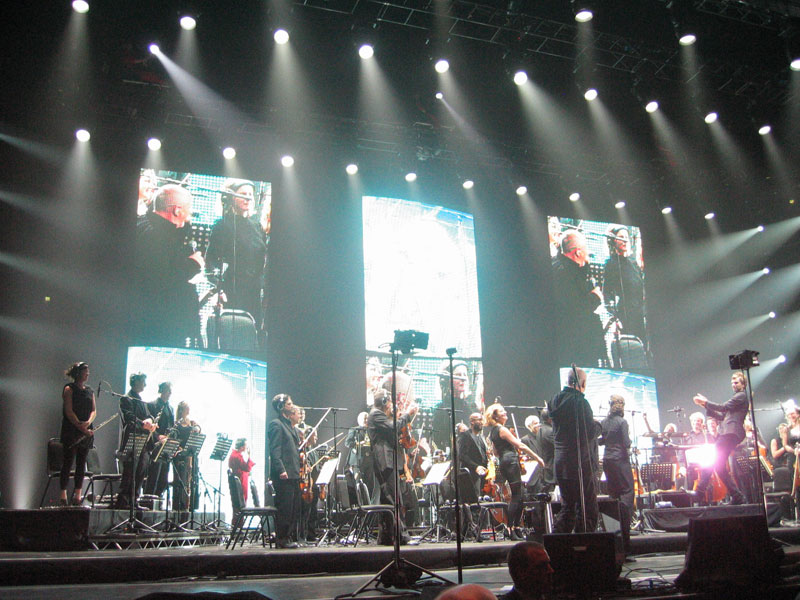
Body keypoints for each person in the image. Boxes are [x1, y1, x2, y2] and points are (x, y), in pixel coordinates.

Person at [135, 184, 204, 347]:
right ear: (177, 210)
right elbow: (161, 280)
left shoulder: (147, 225)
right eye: (189, 209)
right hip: (159, 329)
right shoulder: (155, 236)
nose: (190, 215)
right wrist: (193, 264)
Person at [205, 178, 268, 335]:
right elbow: (210, 261)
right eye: (242, 194)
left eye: (250, 194)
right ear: (231, 197)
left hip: (254, 292)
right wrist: (218, 289)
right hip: (232, 291)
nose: (247, 198)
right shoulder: (222, 225)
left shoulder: (257, 226)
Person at [548, 367, 599, 533]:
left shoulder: (555, 400)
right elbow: (589, 431)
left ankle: (557, 542)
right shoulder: (580, 402)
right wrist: (599, 425)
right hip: (579, 462)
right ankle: (585, 542)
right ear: (582, 383)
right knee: (587, 508)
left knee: (568, 507)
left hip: (561, 461)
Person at [484, 402, 544, 539]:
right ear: (496, 416)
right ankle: (510, 528)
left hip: (505, 461)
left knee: (520, 496)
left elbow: (495, 452)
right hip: (510, 462)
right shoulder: (502, 429)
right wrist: (537, 458)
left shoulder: (493, 431)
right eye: (501, 411)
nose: (505, 412)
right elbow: (520, 445)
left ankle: (516, 528)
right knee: (517, 496)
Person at [367, 387, 418, 545]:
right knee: (394, 498)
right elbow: (393, 427)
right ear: (384, 401)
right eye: (389, 401)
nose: (391, 404)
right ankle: (401, 536)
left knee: (387, 498)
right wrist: (407, 415)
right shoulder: (376, 414)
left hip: (389, 461)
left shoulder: (380, 415)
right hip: (385, 462)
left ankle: (386, 536)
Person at [551, 230, 606, 368]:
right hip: (577, 348)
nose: (588, 253)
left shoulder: (560, 265)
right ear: (578, 252)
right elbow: (575, 309)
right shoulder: (563, 273)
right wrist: (595, 297)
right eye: (586, 248)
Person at [692, 372, 749, 505]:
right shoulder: (737, 398)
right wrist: (705, 405)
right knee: (719, 466)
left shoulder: (741, 396)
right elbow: (722, 416)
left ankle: (700, 491)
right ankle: (737, 496)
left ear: (743, 384)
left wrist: (706, 402)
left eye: (736, 382)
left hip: (731, 432)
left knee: (713, 457)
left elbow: (723, 407)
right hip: (730, 433)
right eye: (732, 383)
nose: (733, 385)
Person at [600, 395, 635, 560]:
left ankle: (615, 546)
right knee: (627, 498)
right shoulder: (622, 422)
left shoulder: (604, 422)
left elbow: (601, 441)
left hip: (608, 461)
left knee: (613, 499)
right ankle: (626, 548)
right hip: (620, 461)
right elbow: (626, 443)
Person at [58, 362, 97, 506]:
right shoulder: (69, 388)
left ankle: (78, 495)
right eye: (85, 371)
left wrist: (88, 423)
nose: (88, 374)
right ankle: (63, 494)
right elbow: (68, 411)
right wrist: (80, 426)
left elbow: (94, 410)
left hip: (86, 430)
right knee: (68, 462)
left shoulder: (90, 391)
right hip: (72, 430)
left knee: (81, 463)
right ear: (78, 373)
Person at [117, 373, 157, 509]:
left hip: (144, 441)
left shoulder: (140, 400)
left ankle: (134, 501)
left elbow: (149, 415)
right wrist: (144, 424)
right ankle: (124, 501)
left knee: (140, 472)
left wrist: (150, 421)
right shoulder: (126, 398)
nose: (145, 385)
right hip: (132, 440)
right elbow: (129, 417)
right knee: (129, 472)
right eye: (142, 382)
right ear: (135, 382)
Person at [602, 225, 646, 345]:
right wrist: (614, 318)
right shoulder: (611, 264)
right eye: (621, 237)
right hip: (625, 315)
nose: (625, 240)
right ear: (612, 241)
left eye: (626, 237)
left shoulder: (633, 262)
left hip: (640, 314)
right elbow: (607, 294)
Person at [269, 394, 302, 548]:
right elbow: (275, 450)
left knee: (293, 509)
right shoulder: (276, 424)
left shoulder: (290, 426)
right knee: (285, 509)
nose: (292, 405)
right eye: (289, 404)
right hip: (284, 475)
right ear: (281, 407)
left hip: (293, 473)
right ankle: (282, 539)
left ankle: (288, 537)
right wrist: (281, 469)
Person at [144, 382, 176, 498]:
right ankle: (148, 501)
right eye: (168, 390)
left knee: (163, 478)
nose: (170, 393)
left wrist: (171, 441)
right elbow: (149, 426)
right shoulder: (152, 405)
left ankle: (159, 500)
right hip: (154, 446)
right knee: (153, 476)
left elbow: (172, 427)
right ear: (162, 390)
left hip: (166, 447)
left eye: (170, 391)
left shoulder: (170, 408)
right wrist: (158, 436)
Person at [173, 400, 201, 512]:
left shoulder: (191, 422)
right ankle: (180, 504)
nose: (189, 409)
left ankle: (190, 505)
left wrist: (197, 428)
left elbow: (198, 429)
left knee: (192, 479)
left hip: (191, 454)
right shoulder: (177, 424)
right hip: (181, 455)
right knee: (182, 480)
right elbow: (175, 437)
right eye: (187, 407)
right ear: (182, 410)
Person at [457, 412, 489, 501]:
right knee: (474, 500)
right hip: (471, 474)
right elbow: (462, 455)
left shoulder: (481, 436)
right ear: (472, 422)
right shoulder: (465, 435)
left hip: (483, 473)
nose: (482, 422)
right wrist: (476, 466)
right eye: (479, 420)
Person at [229, 438, 255, 504]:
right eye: (246, 445)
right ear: (242, 447)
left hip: (238, 479)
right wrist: (249, 455)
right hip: (241, 480)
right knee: (242, 500)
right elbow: (247, 468)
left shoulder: (233, 454)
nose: (247, 447)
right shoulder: (237, 456)